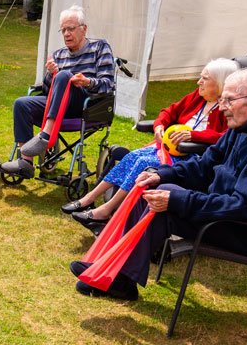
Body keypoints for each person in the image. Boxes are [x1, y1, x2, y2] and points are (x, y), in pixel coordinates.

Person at [70, 68, 247, 300]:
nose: (222, 108)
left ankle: (118, 278)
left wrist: (178, 198)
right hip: (224, 211)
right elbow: (204, 166)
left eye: (229, 101)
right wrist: (162, 174)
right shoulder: (246, 124)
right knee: (150, 187)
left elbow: (243, 205)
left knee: (165, 201)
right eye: (221, 100)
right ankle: (111, 271)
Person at [66, 58, 238, 232]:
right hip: (170, 150)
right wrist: (160, 125)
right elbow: (168, 112)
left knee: (143, 164)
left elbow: (226, 137)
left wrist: (194, 136)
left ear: (221, 84)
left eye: (205, 79)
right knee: (132, 156)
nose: (198, 82)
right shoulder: (198, 97)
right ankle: (89, 198)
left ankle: (106, 210)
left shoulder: (227, 108)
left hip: (194, 159)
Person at [1, 5, 115, 179]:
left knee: (63, 76)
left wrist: (87, 82)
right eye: (63, 30)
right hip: (59, 105)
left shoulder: (100, 47)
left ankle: (46, 135)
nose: (66, 34)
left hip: (87, 104)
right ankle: (25, 162)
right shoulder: (58, 54)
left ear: (83, 29)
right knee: (21, 103)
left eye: (70, 29)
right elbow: (49, 91)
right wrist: (50, 74)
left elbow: (108, 84)